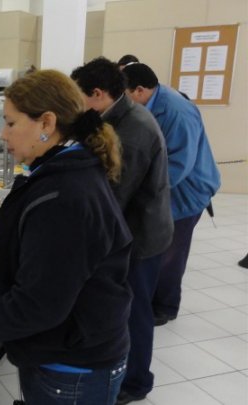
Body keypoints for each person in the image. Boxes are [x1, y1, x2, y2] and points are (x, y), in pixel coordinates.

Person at [0, 69, 132, 405]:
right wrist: (0, 260)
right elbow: (64, 260)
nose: (3, 135)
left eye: (11, 123)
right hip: (70, 352)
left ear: (47, 123)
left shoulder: (64, 195)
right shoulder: (65, 169)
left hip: (72, 369)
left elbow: (39, 307)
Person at [71, 57, 173, 405]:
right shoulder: (116, 114)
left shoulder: (134, 131)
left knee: (136, 311)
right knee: (126, 306)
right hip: (134, 228)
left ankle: (136, 382)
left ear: (97, 93)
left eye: (79, 96)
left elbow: (112, 195)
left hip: (142, 236)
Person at [123, 63, 220, 326]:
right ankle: (150, 298)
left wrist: (141, 191)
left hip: (187, 191)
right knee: (155, 246)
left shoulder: (178, 111)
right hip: (165, 190)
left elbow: (180, 164)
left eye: (125, 94)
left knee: (171, 251)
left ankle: (166, 306)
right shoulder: (150, 103)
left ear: (140, 90)